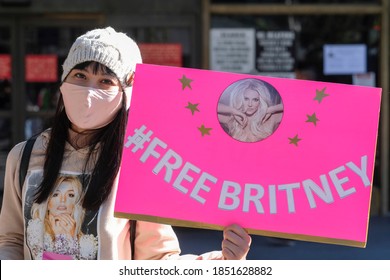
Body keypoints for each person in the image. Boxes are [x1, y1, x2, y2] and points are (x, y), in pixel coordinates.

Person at [0, 27, 251, 260]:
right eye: (80, 75)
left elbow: (158, 260)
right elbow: (10, 240)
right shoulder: (24, 156)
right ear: (64, 81)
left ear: (126, 93)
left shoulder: (139, 166)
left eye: (106, 81)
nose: (89, 91)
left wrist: (222, 261)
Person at [26, 174, 98, 260]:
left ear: (76, 203)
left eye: (70, 195)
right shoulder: (36, 229)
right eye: (55, 194)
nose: (62, 200)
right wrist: (60, 237)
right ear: (47, 202)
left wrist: (71, 238)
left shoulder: (87, 243)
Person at [217, 78, 283, 143]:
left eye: (255, 100)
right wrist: (233, 110)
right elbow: (207, 108)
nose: (250, 104)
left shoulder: (271, 119)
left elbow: (292, 105)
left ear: (261, 101)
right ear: (240, 99)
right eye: (246, 99)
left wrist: (271, 109)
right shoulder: (232, 120)